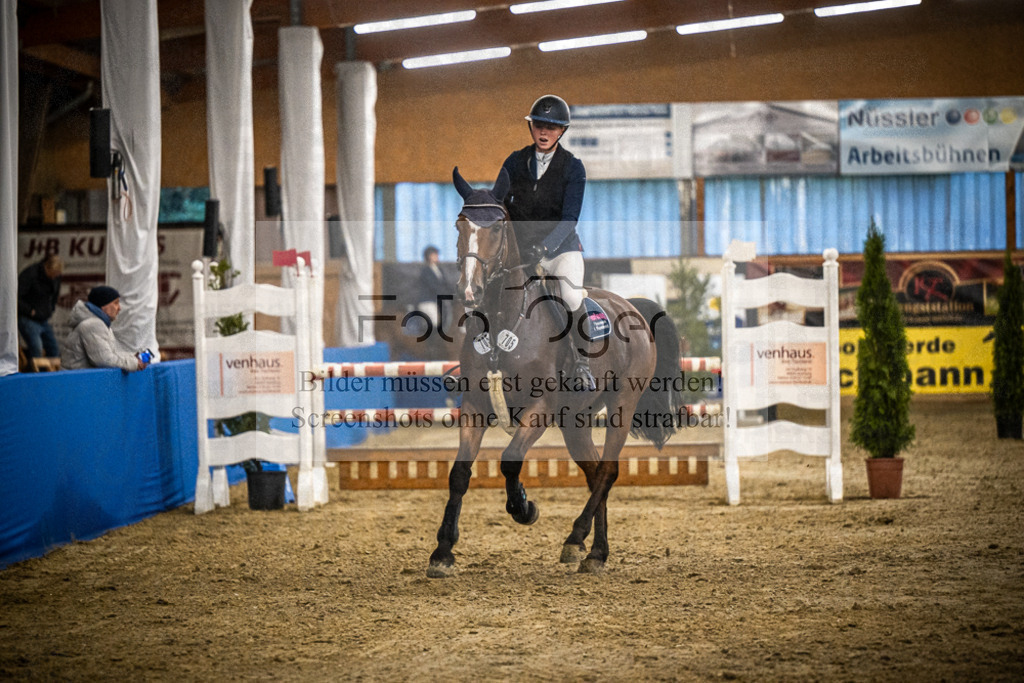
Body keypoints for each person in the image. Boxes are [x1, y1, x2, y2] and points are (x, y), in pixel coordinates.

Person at [500, 94, 595, 390]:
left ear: (562, 131)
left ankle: (582, 363)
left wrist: (545, 247)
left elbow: (570, 219)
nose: (544, 132)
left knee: (570, 296)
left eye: (551, 127)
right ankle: (485, 357)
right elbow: (500, 204)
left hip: (561, 250)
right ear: (532, 128)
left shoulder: (573, 168)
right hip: (522, 254)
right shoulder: (515, 162)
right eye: (539, 125)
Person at [62, 286, 148, 371]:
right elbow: (104, 359)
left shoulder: (101, 324)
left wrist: (132, 357)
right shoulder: (92, 325)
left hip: (81, 380)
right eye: (115, 303)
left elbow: (112, 354)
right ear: (103, 305)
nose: (119, 308)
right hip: (76, 382)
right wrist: (134, 363)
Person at [17, 254, 64, 359]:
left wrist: (50, 309)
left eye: (57, 275)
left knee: (54, 349)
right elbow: (17, 297)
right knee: (37, 348)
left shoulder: (55, 279)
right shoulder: (30, 274)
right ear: (47, 267)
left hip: (43, 319)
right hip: (28, 318)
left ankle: (52, 374)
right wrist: (29, 311)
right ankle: (35, 374)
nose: (54, 277)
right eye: (53, 274)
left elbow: (55, 295)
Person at [415, 245, 453, 329]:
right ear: (429, 256)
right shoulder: (426, 271)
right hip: (428, 301)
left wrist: (453, 293)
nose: (437, 256)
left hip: (438, 301)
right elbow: (433, 286)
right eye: (434, 254)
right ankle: (432, 341)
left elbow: (446, 284)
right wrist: (445, 295)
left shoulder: (439, 269)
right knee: (436, 321)